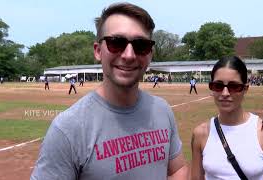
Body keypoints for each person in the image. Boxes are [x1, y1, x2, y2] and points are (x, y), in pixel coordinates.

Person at [31, 3, 188, 180]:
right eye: (116, 43)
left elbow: (177, 169)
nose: (129, 55)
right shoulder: (67, 129)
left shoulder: (162, 110)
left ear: (150, 54)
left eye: (140, 45)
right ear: (98, 51)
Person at [191, 56, 263, 180]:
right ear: (211, 87)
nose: (225, 93)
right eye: (218, 86)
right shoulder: (200, 134)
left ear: (245, 89)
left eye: (234, 87)